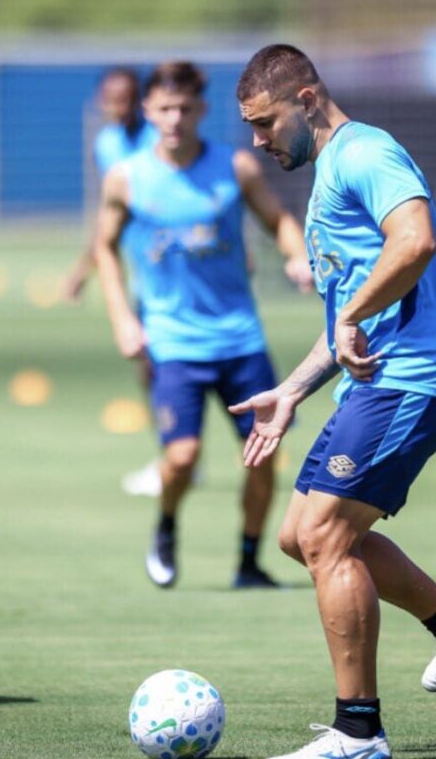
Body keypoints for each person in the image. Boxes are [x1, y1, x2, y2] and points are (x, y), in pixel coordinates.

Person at [231, 44, 436, 759]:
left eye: (265, 122)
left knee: (326, 537)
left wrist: (350, 311)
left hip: (410, 381)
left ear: (310, 97)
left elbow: (414, 241)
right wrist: (292, 390)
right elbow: (349, 326)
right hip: (378, 382)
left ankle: (358, 732)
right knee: (300, 536)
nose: (258, 141)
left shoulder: (365, 152)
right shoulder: (329, 176)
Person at [95, 61, 313, 589]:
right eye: (164, 109)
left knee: (263, 455)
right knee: (182, 455)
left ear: (202, 111)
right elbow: (103, 245)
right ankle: (166, 525)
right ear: (147, 112)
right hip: (172, 340)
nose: (174, 119)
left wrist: (296, 254)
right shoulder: (128, 177)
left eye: (185, 109)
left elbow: (277, 218)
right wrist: (124, 318)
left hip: (239, 336)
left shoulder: (235, 167)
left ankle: (247, 561)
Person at [64, 67, 164, 498]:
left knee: (169, 364)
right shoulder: (106, 144)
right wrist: (83, 269)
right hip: (137, 266)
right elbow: (109, 216)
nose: (118, 106)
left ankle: (177, 455)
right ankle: (174, 452)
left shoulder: (159, 140)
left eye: (126, 97)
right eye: (111, 98)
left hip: (170, 265)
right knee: (149, 365)